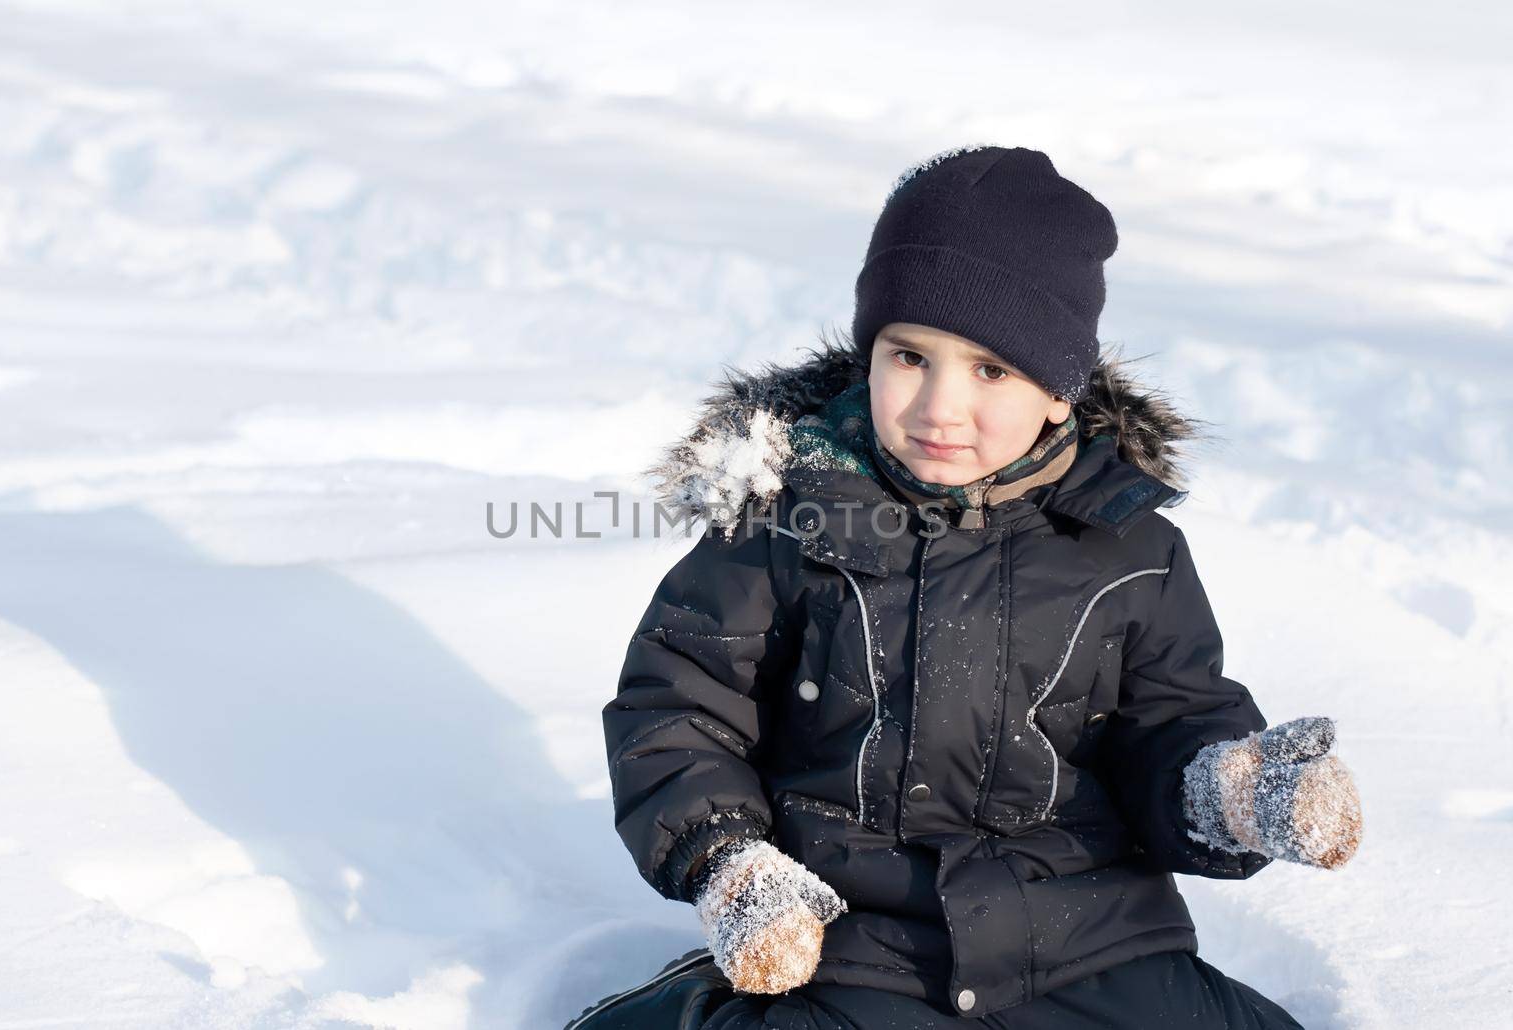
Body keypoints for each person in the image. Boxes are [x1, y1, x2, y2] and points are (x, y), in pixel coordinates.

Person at [568, 146, 1362, 1029]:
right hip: (853, 946)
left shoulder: (1129, 552)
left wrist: (1233, 793)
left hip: (1089, 938)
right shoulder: (785, 527)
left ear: (1060, 394)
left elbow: (1169, 723)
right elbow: (677, 708)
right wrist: (733, 864)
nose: (940, 406)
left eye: (991, 370)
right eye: (910, 356)